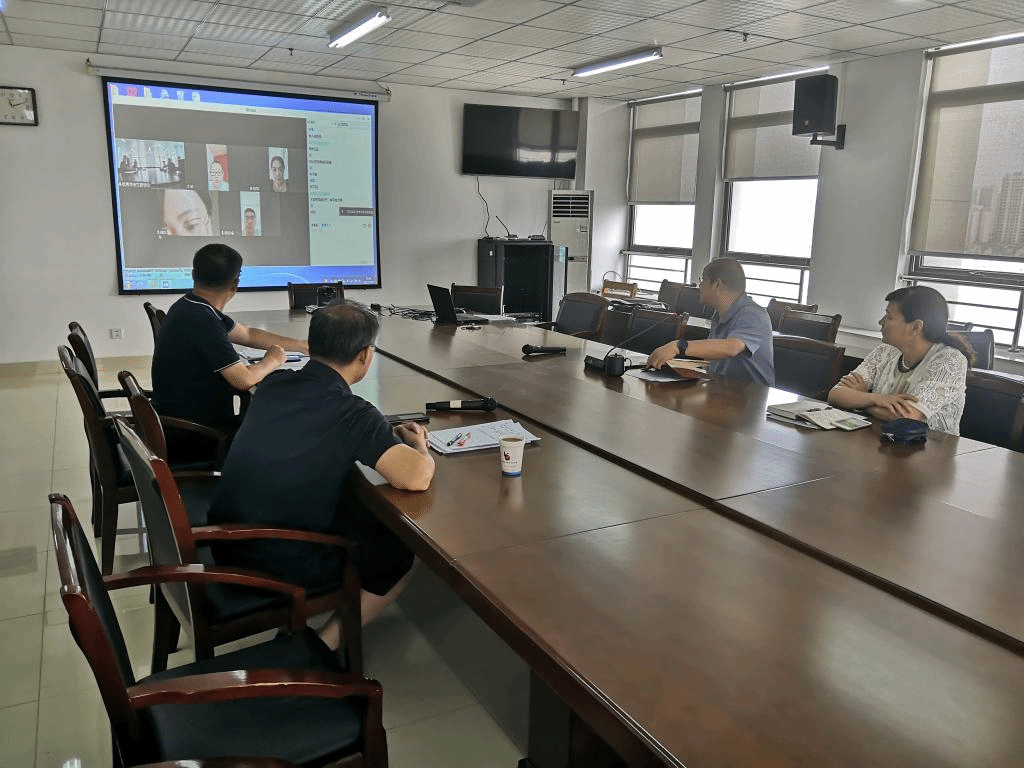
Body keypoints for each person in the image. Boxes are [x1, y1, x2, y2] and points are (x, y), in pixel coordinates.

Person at [208, 301, 435, 651]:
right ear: (366, 355)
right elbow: (416, 478)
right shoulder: (353, 413)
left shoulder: (274, 383)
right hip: (272, 558)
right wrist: (420, 446)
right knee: (398, 551)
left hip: (225, 539)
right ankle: (323, 645)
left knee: (355, 504)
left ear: (311, 344)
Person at [151, 243, 308, 441]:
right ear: (235, 283)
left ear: (193, 275)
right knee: (285, 432)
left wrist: (301, 345)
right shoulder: (203, 321)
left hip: (178, 421)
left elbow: (248, 334)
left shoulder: (190, 306)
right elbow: (243, 380)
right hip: (196, 434)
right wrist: (273, 360)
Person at [827, 286, 972, 435]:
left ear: (915, 327)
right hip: (881, 438)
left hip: (931, 446)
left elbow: (906, 417)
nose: (880, 321)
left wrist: (861, 399)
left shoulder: (950, 360)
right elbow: (836, 395)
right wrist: (875, 399)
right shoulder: (886, 350)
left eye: (889, 317)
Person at [647, 258, 775, 385]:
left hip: (751, 394)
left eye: (703, 280)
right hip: (721, 388)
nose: (700, 285)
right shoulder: (718, 314)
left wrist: (678, 346)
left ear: (717, 284)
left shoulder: (753, 314)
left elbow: (732, 347)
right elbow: (709, 358)